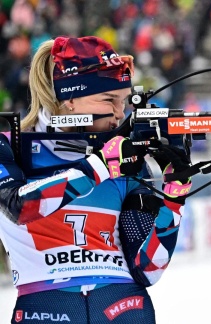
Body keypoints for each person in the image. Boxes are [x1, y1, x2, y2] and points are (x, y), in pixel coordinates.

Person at [0, 36, 191, 323]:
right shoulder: (10, 147)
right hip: (44, 308)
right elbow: (20, 206)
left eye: (124, 101)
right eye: (108, 99)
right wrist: (101, 166)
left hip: (125, 306)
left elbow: (148, 269)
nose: (119, 114)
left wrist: (175, 194)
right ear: (70, 99)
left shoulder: (127, 159)